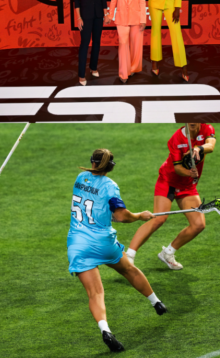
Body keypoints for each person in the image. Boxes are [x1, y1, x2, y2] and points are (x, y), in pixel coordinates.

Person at [67, 149, 166, 352]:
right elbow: (121, 216)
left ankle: (105, 330)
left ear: (92, 163)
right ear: (110, 166)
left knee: (95, 293)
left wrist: (108, 214)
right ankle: (156, 303)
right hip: (103, 242)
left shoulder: (80, 177)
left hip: (77, 244)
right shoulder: (110, 186)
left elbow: (95, 207)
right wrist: (139, 215)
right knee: (128, 269)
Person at [127, 123, 216, 269]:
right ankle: (129, 255)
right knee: (159, 218)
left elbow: (210, 146)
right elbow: (178, 168)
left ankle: (168, 253)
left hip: (187, 186)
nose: (192, 121)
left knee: (198, 225)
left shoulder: (207, 128)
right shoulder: (176, 138)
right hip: (168, 181)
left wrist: (198, 148)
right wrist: (189, 173)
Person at [107, 0, 146, 83]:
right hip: (121, 19)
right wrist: (110, 15)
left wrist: (143, 20)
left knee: (136, 46)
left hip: (136, 19)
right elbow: (114, 0)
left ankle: (133, 68)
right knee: (123, 44)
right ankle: (124, 73)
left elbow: (142, 2)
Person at [73, 0, 109, 86]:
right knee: (85, 43)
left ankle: (93, 67)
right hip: (85, 16)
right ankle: (81, 75)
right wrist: (78, 17)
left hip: (98, 15)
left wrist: (106, 14)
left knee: (97, 43)